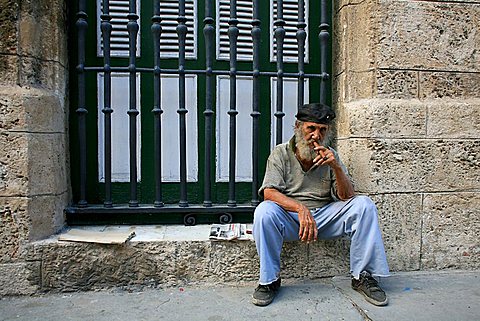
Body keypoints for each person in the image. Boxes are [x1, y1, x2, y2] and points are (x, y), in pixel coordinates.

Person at [252, 103, 390, 307]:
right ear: (298, 127)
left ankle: (362, 276)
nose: (316, 135)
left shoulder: (331, 154)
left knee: (364, 205)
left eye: (322, 130)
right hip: (293, 220)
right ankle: (269, 281)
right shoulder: (280, 153)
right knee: (264, 211)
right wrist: (300, 208)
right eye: (311, 128)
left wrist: (336, 167)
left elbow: (347, 196)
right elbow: (269, 192)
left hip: (325, 219)